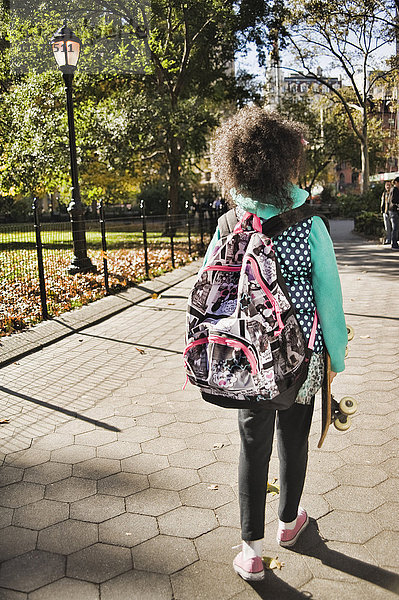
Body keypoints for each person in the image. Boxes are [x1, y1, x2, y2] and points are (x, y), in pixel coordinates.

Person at [203, 106, 347, 581]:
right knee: (295, 439)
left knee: (252, 445)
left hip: (247, 361)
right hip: (300, 361)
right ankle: (289, 523)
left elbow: (210, 293)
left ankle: (250, 550)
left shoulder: (228, 225)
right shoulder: (312, 226)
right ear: (287, 162)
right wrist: (338, 357)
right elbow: (330, 301)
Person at [389, 177, 399, 250]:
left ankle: (395, 242)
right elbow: (393, 200)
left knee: (396, 227)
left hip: (394, 210)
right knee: (395, 227)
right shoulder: (394, 189)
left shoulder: (395, 189)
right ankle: (394, 243)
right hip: (393, 210)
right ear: (396, 182)